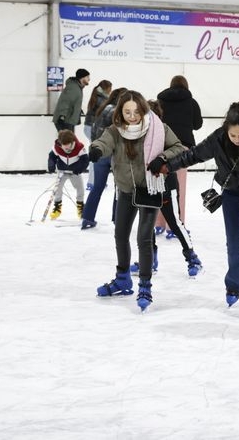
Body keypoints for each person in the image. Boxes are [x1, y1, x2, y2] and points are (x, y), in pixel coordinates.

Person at [165, 102, 239, 319]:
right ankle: (234, 285)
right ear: (226, 129)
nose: (238, 139)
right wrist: (167, 166)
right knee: (233, 242)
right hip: (230, 194)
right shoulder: (218, 138)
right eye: (234, 135)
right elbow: (193, 155)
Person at [88, 90, 185, 312]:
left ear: (143, 110)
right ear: (120, 113)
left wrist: (161, 158)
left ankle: (145, 285)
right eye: (127, 112)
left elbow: (178, 147)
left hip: (150, 189)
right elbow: (103, 142)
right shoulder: (115, 131)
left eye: (136, 111)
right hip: (125, 190)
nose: (132, 116)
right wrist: (96, 150)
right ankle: (122, 279)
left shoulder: (157, 128)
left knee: (144, 238)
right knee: (120, 234)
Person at [131, 100, 202, 278]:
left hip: (166, 184)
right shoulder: (135, 133)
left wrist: (162, 158)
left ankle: (192, 258)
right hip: (145, 186)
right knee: (146, 227)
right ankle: (149, 259)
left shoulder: (164, 130)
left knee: (175, 223)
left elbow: (179, 149)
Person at [154, 75, 203, 236]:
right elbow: (197, 124)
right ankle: (175, 226)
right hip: (183, 147)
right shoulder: (191, 102)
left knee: (161, 185)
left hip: (163, 146)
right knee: (178, 187)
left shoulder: (160, 101)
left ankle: (158, 223)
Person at [81, 87, 128, 230]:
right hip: (114, 154)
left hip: (100, 153)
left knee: (97, 187)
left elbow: (94, 133)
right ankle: (117, 219)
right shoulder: (118, 113)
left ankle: (87, 218)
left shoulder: (102, 109)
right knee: (119, 188)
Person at [47, 129, 89, 220]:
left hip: (74, 172)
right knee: (57, 189)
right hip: (62, 171)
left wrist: (79, 169)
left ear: (72, 142)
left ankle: (80, 207)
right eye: (64, 145)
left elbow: (85, 161)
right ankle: (57, 208)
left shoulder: (79, 147)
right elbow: (51, 157)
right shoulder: (57, 147)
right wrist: (51, 166)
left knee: (80, 189)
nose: (66, 147)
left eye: (68, 145)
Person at [83, 80, 112, 191]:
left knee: (95, 153)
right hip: (93, 128)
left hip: (89, 127)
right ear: (107, 88)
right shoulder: (102, 99)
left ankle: (94, 181)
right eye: (110, 88)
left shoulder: (97, 95)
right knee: (95, 154)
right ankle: (93, 182)